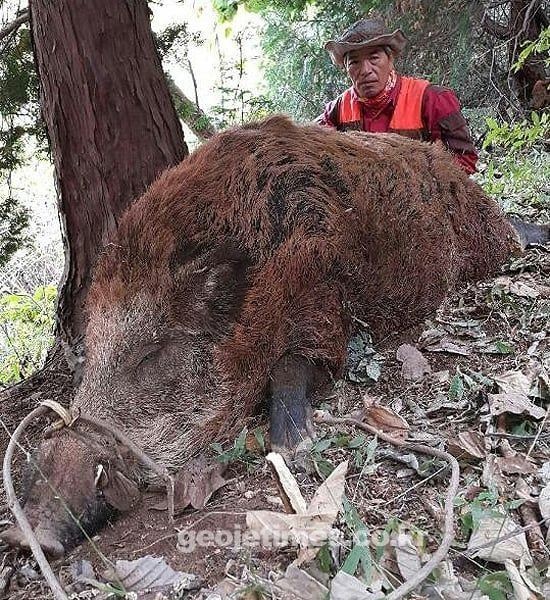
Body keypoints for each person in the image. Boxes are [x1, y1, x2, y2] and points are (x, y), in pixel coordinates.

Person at [317, 18, 478, 174]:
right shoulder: (337, 109)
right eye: (354, 62)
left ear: (390, 59)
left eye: (374, 58)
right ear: (346, 69)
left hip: (422, 197)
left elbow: (464, 161)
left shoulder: (432, 99)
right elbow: (309, 152)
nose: (365, 70)